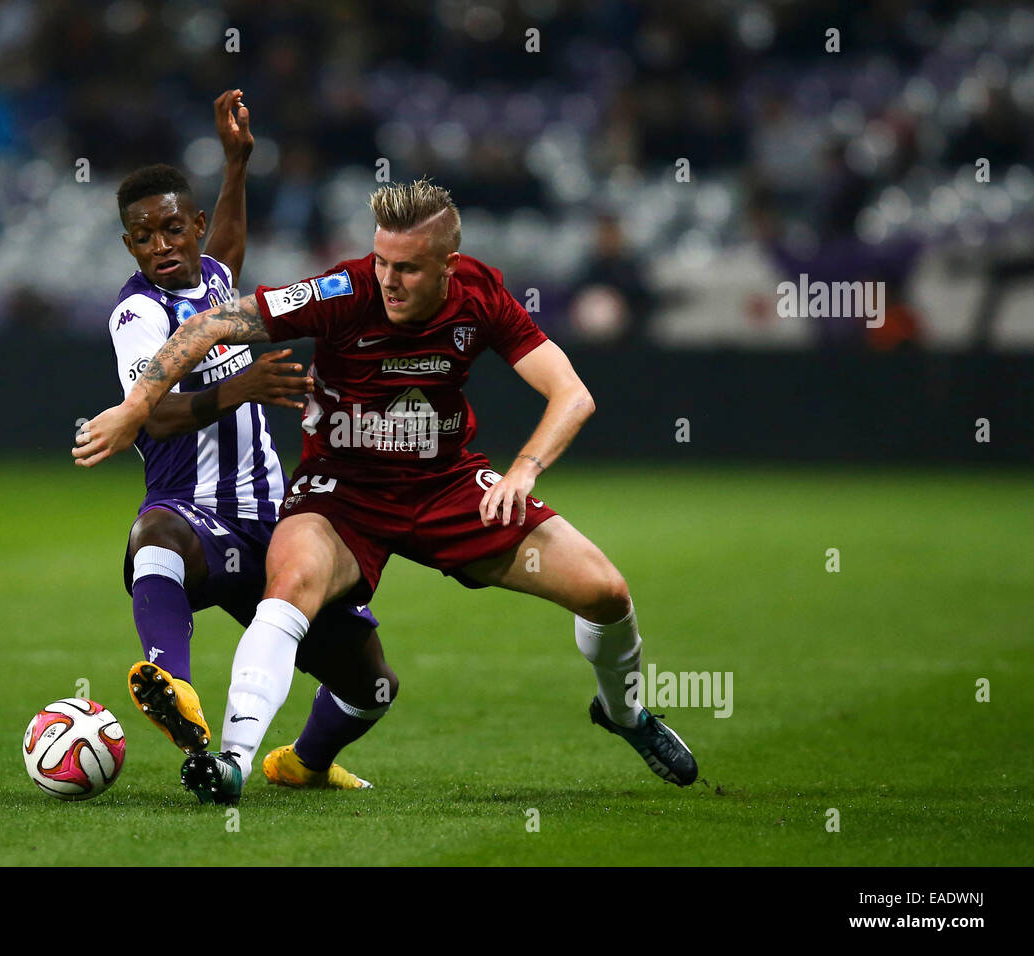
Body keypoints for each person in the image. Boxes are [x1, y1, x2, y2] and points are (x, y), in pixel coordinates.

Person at [77, 178, 697, 805]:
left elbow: (572, 393)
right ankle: (232, 762)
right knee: (288, 587)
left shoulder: (480, 294)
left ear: (447, 268)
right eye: (381, 262)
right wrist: (138, 407)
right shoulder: (343, 290)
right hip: (341, 495)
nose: (389, 280)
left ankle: (623, 713)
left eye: (406, 268)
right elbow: (209, 324)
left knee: (606, 592)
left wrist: (524, 470)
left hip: (449, 487)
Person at [104, 90, 397, 798]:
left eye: (174, 229)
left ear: (194, 225)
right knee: (153, 533)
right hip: (197, 517)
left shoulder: (210, 278)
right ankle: (172, 682)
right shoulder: (136, 314)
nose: (162, 246)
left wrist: (235, 166)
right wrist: (241, 387)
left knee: (373, 685)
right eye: (145, 237)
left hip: (274, 523)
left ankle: (302, 762)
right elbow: (155, 414)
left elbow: (226, 254)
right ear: (129, 245)